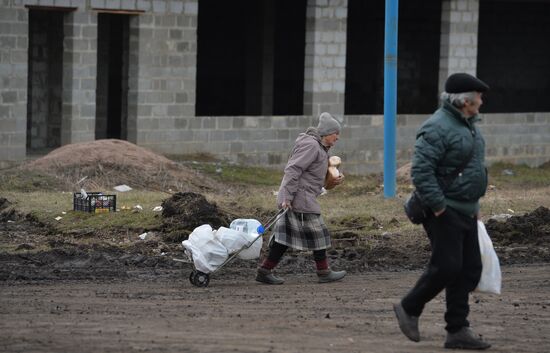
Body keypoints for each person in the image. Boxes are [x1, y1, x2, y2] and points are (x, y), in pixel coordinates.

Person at [393, 73, 492, 350]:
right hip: (444, 209)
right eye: (479, 97)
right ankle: (409, 306)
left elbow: (472, 168)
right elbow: (421, 172)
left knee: (469, 269)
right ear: (465, 101)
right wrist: (439, 207)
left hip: (467, 210)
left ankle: (458, 330)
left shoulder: (469, 125)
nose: (482, 102)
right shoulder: (436, 127)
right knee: (447, 266)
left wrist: (475, 206)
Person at [255, 112, 346, 285]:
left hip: (301, 196)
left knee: (284, 239)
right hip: (298, 198)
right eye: (336, 133)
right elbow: (293, 170)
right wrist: (287, 198)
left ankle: (264, 271)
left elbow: (316, 176)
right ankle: (323, 271)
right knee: (318, 233)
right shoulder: (311, 146)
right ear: (327, 133)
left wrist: (334, 179)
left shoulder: (320, 148)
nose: (338, 137)